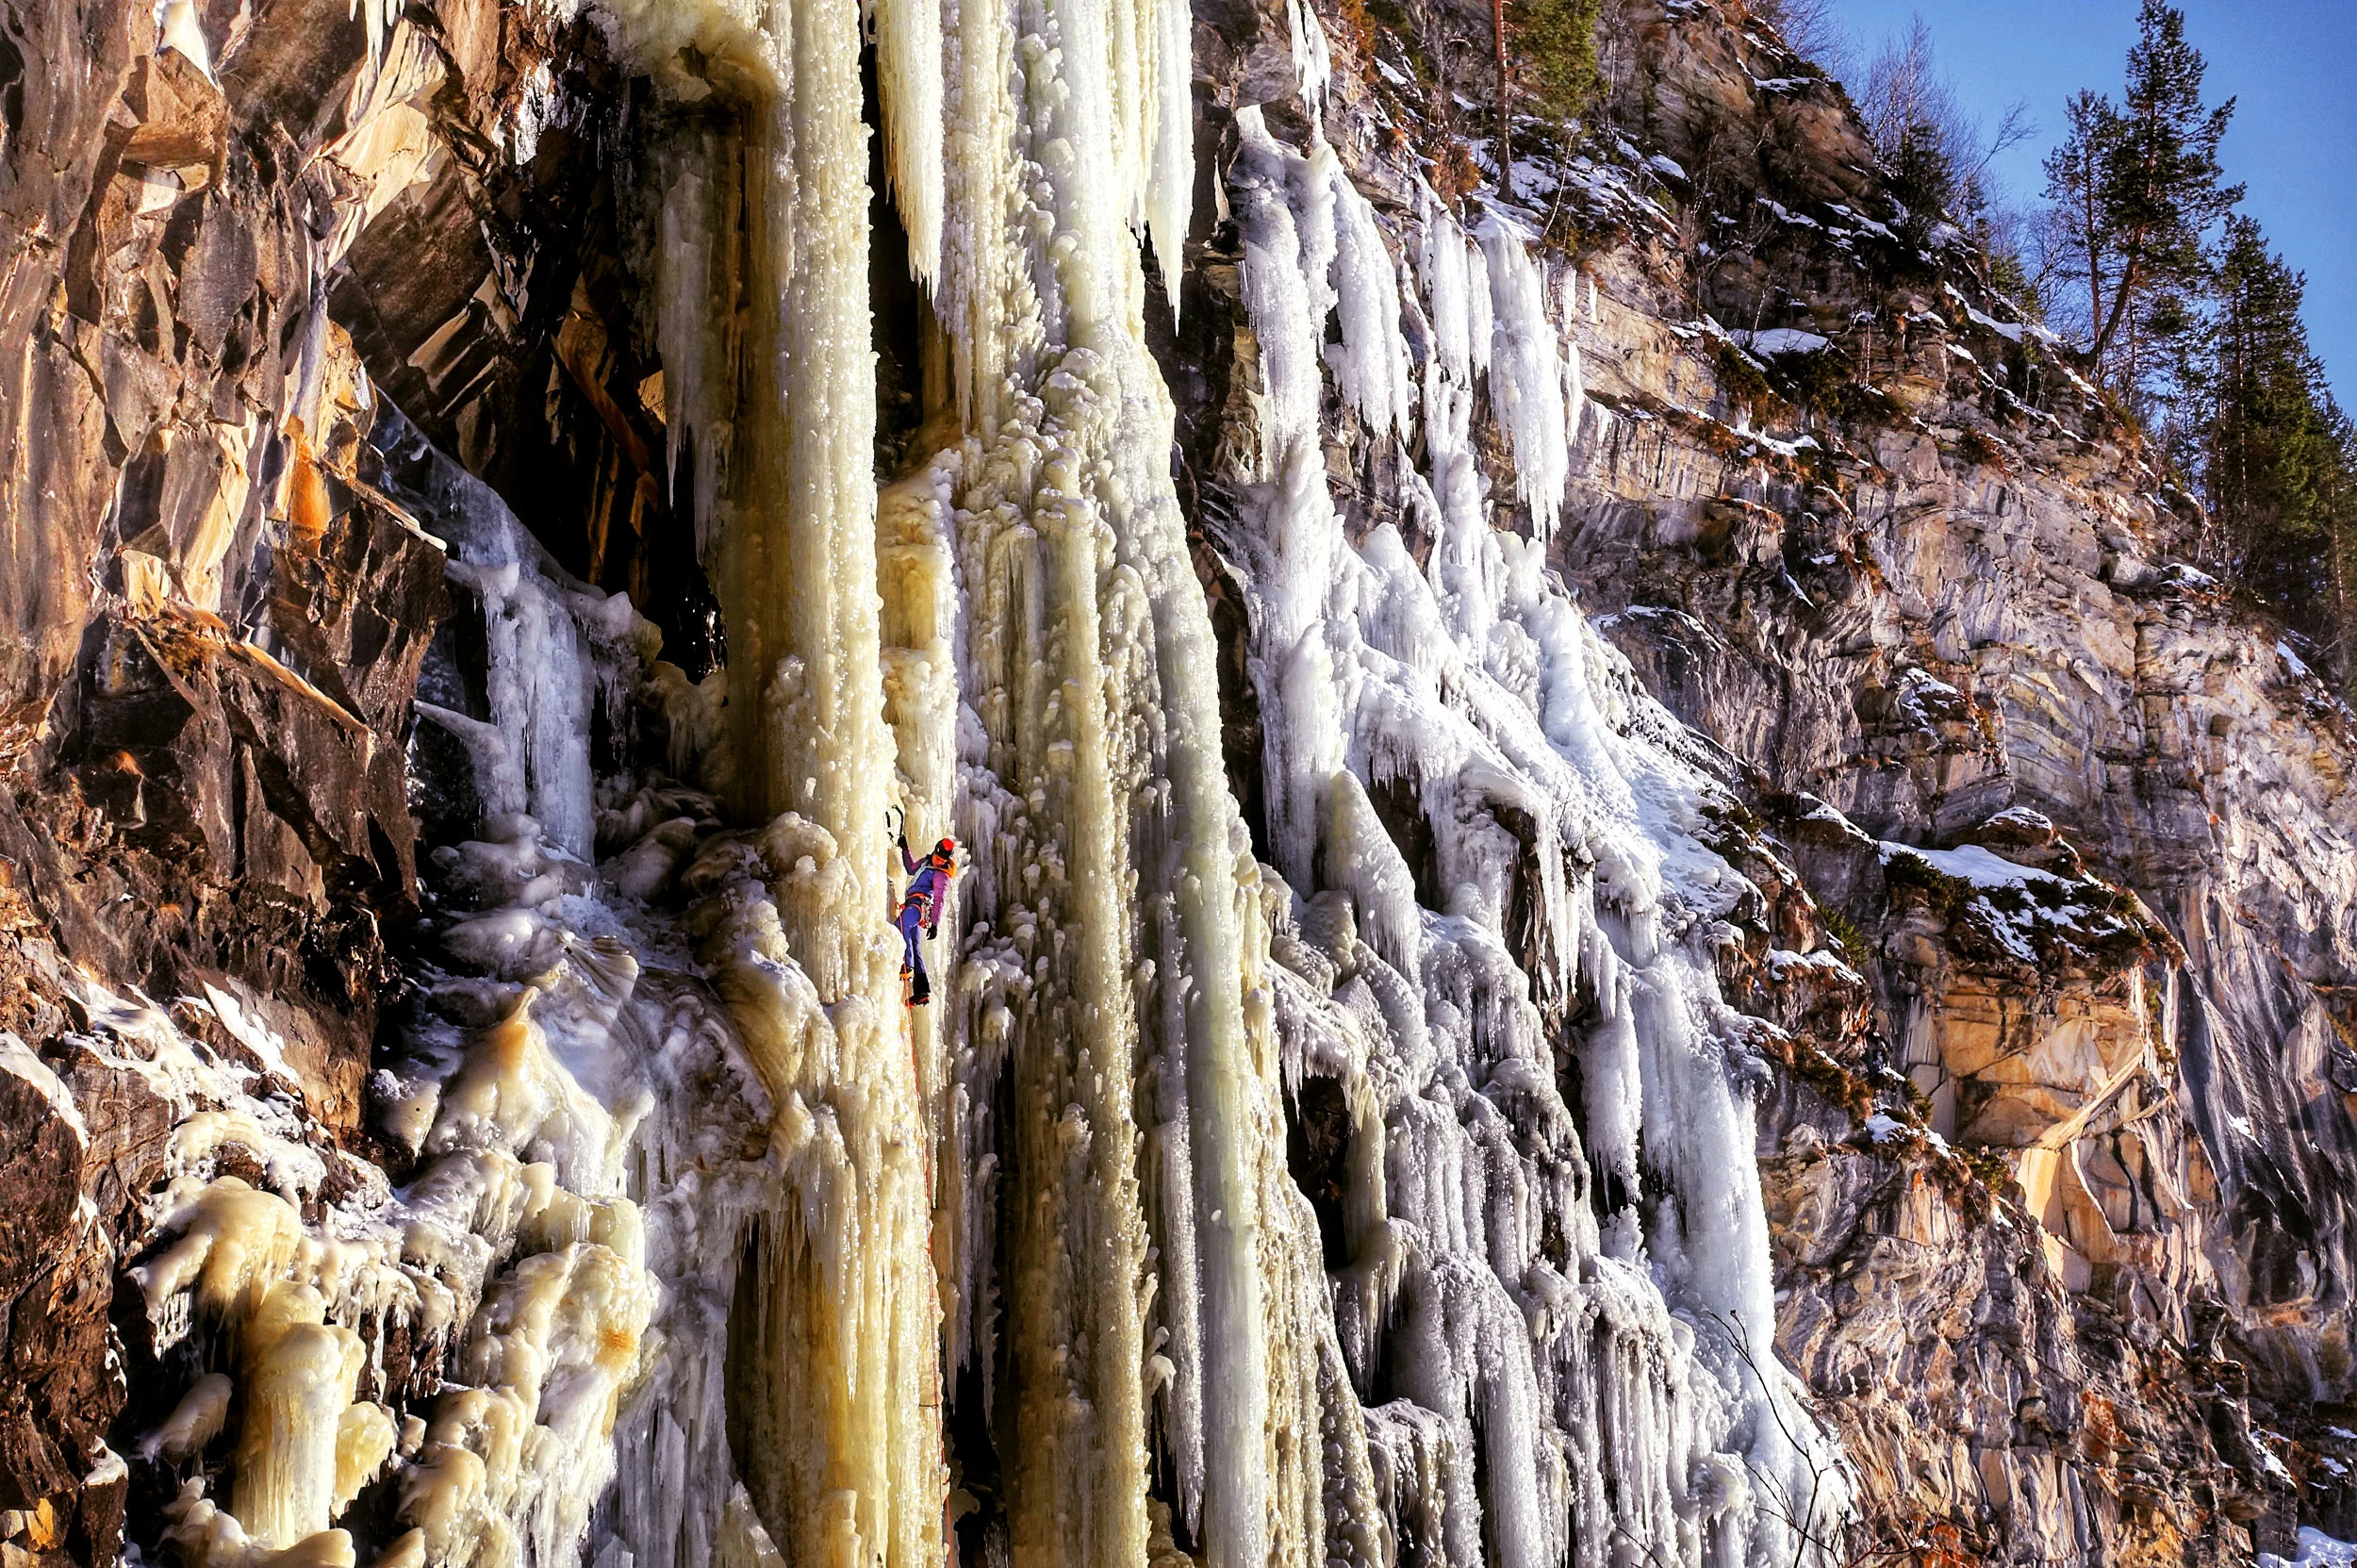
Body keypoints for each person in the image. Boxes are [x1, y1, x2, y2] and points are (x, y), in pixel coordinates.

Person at [895, 834, 957, 1004]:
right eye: (937, 858)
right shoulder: (926, 862)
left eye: (942, 861)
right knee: (914, 944)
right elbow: (911, 868)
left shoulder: (942, 875)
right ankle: (922, 991)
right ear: (935, 852)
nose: (939, 862)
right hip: (912, 903)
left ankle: (907, 965)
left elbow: (939, 900)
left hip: (919, 906)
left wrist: (935, 924)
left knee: (900, 925)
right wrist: (905, 848)